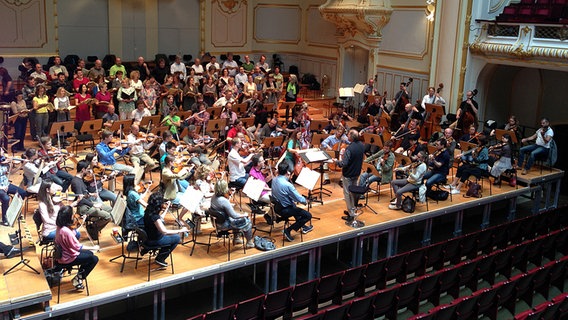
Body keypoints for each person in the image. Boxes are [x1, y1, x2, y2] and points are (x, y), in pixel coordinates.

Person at [54, 206, 99, 290]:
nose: (74, 216)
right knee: (94, 258)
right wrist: (93, 247)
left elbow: (73, 234)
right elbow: (77, 247)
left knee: (89, 255)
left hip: (63, 254)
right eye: (72, 215)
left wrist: (82, 222)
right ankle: (78, 278)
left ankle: (79, 277)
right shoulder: (65, 231)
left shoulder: (60, 226)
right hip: (67, 258)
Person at [143, 192, 187, 267]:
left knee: (172, 237)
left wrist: (167, 208)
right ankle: (160, 258)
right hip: (154, 240)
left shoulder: (148, 211)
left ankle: (162, 252)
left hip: (148, 237)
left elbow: (160, 218)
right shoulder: (154, 217)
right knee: (177, 238)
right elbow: (164, 231)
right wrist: (180, 230)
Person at [271, 162, 313, 241]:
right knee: (308, 215)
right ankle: (288, 230)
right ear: (287, 172)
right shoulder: (287, 185)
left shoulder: (274, 179)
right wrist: (306, 201)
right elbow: (299, 199)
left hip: (277, 207)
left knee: (294, 207)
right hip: (285, 210)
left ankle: (303, 226)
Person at [210, 180, 255, 248]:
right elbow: (234, 215)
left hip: (217, 223)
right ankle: (249, 242)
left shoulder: (214, 197)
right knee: (246, 220)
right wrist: (245, 215)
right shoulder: (223, 201)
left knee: (236, 219)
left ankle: (236, 239)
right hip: (225, 224)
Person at [333, 129, 365, 222]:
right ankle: (352, 209)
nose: (347, 135)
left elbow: (344, 163)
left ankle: (351, 214)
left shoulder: (349, 149)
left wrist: (337, 162)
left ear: (351, 137)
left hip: (348, 174)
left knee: (347, 193)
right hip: (356, 172)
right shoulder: (361, 146)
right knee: (353, 192)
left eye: (348, 135)